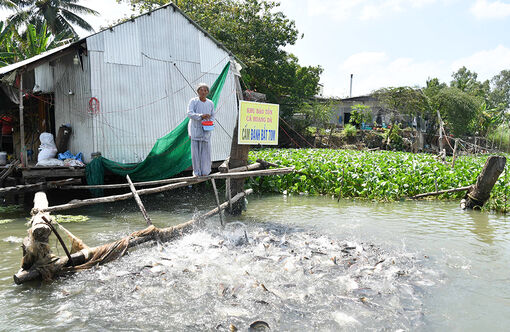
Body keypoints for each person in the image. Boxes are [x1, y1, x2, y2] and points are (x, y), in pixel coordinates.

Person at [187, 83, 215, 176]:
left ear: (207, 92)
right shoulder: (193, 101)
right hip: (195, 129)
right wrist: (201, 116)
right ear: (198, 91)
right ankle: (196, 172)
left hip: (206, 130)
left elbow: (213, 116)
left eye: (205, 90)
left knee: (206, 152)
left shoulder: (210, 103)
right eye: (201, 90)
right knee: (195, 153)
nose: (203, 92)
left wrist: (208, 120)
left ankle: (205, 172)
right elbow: (190, 113)